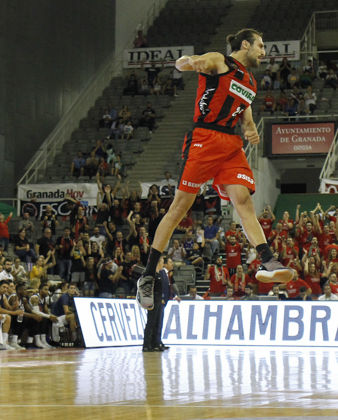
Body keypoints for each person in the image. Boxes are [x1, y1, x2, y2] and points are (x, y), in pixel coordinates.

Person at [134, 29, 293, 310]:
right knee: (180, 207)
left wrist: (251, 128)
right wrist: (187, 62)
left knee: (243, 201)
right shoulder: (220, 61)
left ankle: (268, 261)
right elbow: (193, 61)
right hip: (204, 138)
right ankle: (147, 277)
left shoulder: (251, 82)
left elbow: (245, 112)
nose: (264, 51)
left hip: (231, 144)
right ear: (245, 44)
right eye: (261, 45)